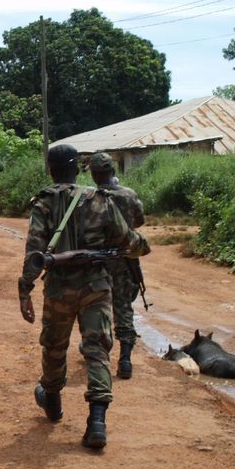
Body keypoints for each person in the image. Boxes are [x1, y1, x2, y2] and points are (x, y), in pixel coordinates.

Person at [18, 144, 150, 449]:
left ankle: (52, 403)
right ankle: (97, 422)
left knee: (54, 347)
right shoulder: (100, 200)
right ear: (78, 168)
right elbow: (129, 240)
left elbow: (34, 249)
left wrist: (25, 287)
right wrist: (142, 246)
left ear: (50, 169)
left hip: (59, 288)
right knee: (97, 351)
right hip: (96, 286)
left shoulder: (44, 202)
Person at [89, 152, 145, 379]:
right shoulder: (129, 195)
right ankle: (125, 358)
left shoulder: (89, 197)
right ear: (112, 171)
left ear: (94, 175)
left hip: (97, 261)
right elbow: (139, 221)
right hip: (124, 259)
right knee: (123, 307)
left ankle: (99, 353)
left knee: (97, 309)